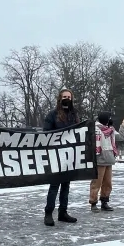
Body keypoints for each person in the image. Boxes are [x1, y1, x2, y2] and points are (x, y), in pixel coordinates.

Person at [42, 88, 79, 226]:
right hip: (56, 155)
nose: (66, 99)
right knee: (54, 185)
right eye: (64, 97)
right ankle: (48, 213)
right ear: (59, 98)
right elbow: (46, 133)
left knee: (66, 185)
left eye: (69, 97)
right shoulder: (52, 114)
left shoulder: (74, 115)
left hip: (70, 155)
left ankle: (63, 212)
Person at [89, 112, 124, 211]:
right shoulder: (94, 129)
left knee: (107, 183)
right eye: (109, 118)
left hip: (109, 160)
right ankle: (93, 203)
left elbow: (121, 137)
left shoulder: (111, 130)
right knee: (96, 183)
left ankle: (104, 202)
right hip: (99, 160)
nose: (111, 120)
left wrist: (123, 125)